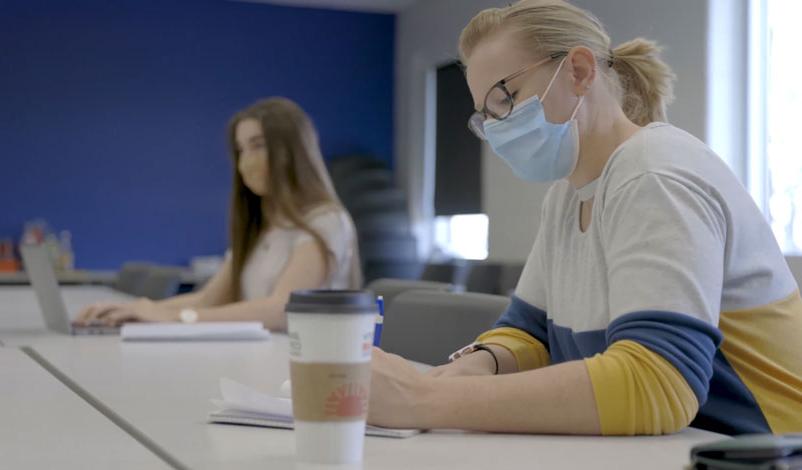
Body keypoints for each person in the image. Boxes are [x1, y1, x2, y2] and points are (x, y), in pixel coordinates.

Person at [368, 0, 802, 436]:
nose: (498, 127)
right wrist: (479, 364)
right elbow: (529, 331)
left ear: (578, 71)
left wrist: (425, 399)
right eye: (488, 115)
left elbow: (657, 383)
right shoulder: (567, 194)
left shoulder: (656, 174)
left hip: (769, 448)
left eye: (506, 98)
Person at [76, 97, 361, 331]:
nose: (245, 161)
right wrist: (137, 309)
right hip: (260, 358)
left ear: (293, 150)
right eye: (240, 150)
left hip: (298, 373)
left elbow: (282, 309)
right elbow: (210, 299)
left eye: (258, 145)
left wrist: (176, 317)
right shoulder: (263, 227)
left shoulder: (325, 221)